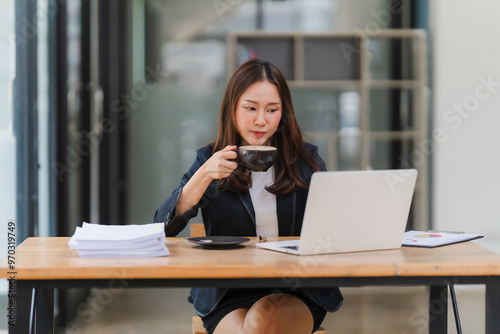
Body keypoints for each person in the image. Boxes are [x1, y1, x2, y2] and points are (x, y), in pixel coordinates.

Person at [154, 58, 343, 334]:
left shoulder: (306, 162)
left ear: (283, 113)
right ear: (232, 108)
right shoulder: (209, 160)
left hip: (296, 288)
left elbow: (333, 227)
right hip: (229, 291)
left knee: (260, 323)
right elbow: (162, 227)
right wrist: (204, 175)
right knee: (255, 326)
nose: (261, 120)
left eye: (272, 110)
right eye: (250, 108)